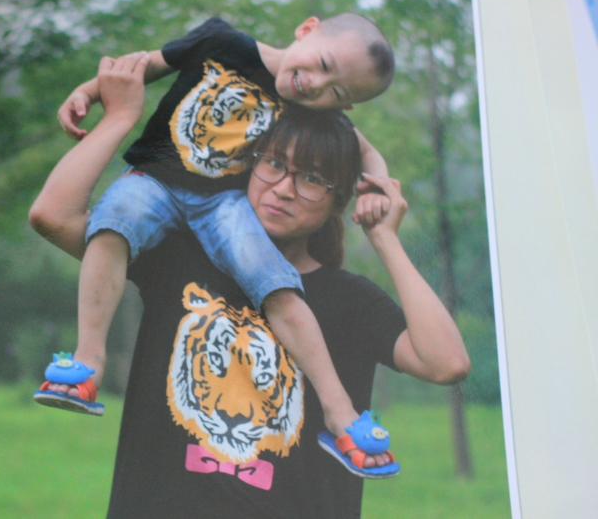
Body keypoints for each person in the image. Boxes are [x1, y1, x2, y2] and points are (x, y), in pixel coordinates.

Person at [30, 53, 470, 516]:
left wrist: (384, 238)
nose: (284, 188)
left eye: (313, 178)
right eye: (273, 163)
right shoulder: (180, 255)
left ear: (338, 200)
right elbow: (51, 216)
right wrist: (118, 119)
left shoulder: (351, 301)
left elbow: (448, 363)